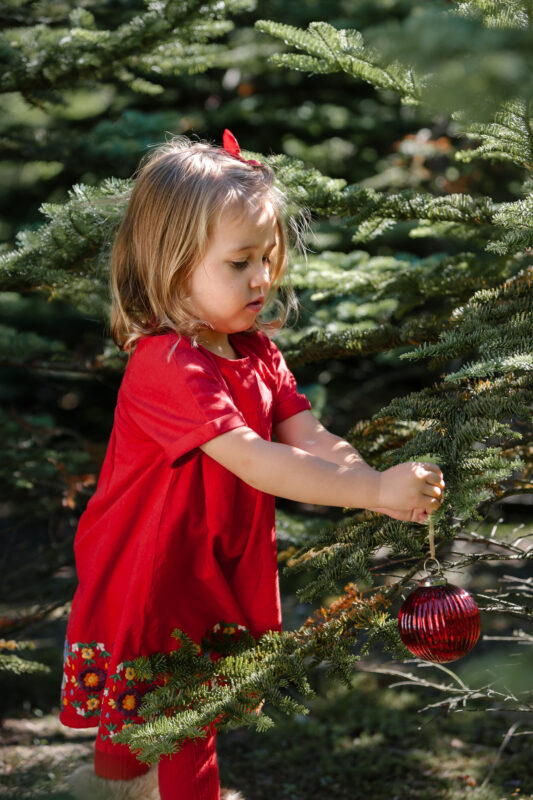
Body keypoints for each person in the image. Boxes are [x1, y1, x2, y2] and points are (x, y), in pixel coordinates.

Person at [61, 131, 445, 800]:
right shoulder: (169, 365)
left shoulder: (255, 351)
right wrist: (368, 490)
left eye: (268, 258)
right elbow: (254, 459)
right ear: (172, 264)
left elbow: (309, 434)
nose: (262, 279)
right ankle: (135, 788)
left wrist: (378, 486)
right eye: (239, 262)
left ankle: (118, 787)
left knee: (165, 702)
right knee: (183, 711)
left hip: (213, 555)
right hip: (154, 568)